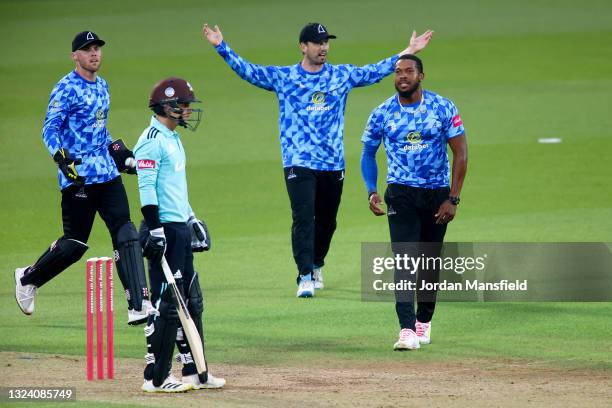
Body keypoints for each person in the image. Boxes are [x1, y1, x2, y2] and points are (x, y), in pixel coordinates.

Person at [203, 22, 433, 298]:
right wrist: (221, 46)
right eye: (317, 42)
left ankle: (316, 264)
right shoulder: (285, 77)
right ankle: (304, 276)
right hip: (298, 161)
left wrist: (409, 50)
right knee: (303, 218)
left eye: (326, 42)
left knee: (327, 222)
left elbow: (375, 70)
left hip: (332, 163)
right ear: (303, 46)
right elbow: (250, 71)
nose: (323, 47)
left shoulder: (341, 75)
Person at [14, 31, 150, 325]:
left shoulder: (103, 87)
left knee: (125, 232)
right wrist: (61, 158)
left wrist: (120, 153)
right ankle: (27, 278)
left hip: (107, 174)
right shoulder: (65, 89)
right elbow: (49, 129)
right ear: (75, 55)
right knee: (74, 244)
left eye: (97, 49)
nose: (94, 54)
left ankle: (138, 304)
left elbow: (100, 132)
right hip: (79, 178)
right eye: (87, 49)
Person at [360, 54, 467, 350]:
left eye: (409, 71)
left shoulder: (443, 107)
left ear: (421, 76)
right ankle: (406, 329)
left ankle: (424, 322)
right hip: (401, 193)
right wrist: (372, 190)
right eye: (398, 72)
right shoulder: (382, 113)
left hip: (436, 194)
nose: (402, 76)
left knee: (429, 262)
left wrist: (453, 198)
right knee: (405, 260)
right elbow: (368, 153)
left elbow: (461, 152)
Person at [135, 77, 224, 392]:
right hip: (162, 229)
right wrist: (156, 229)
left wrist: (192, 218)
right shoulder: (152, 139)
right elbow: (146, 187)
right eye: (183, 105)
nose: (188, 110)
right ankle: (155, 378)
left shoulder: (173, 138)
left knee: (192, 302)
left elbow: (174, 189)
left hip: (179, 226)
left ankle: (195, 371)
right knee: (168, 304)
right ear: (166, 106)